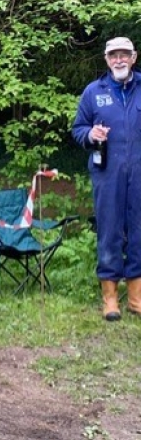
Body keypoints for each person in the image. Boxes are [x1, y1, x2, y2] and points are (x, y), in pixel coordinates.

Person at [72, 36, 141, 321]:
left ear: (133, 58)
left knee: (139, 231)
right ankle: (110, 298)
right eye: (113, 56)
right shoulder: (93, 92)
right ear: (106, 59)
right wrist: (90, 135)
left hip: (139, 175)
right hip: (107, 174)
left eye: (124, 54)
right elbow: (78, 129)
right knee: (110, 231)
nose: (119, 60)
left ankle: (136, 298)